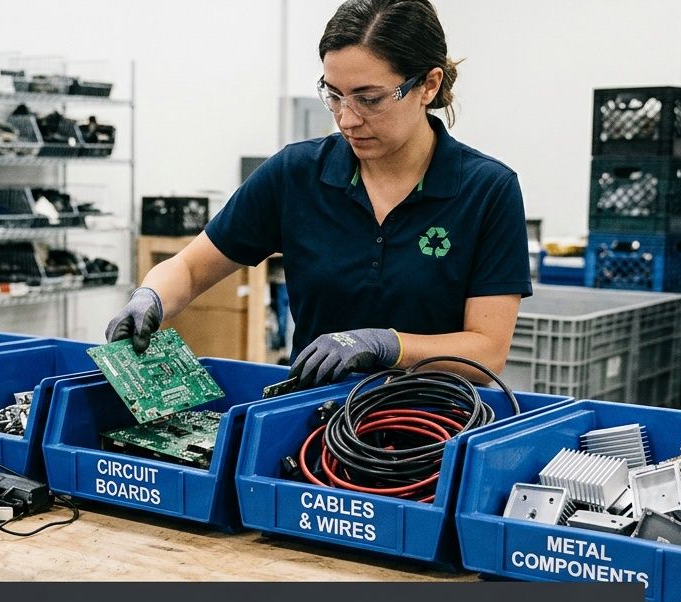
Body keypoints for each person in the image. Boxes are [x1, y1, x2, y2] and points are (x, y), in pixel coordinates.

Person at [107, 0, 531, 385]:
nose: (347, 119)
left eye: (369, 99)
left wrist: (387, 345)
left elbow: (487, 350)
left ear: (428, 85)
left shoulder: (487, 191)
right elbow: (192, 269)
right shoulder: (296, 175)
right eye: (334, 95)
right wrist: (151, 296)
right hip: (312, 422)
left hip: (432, 425)